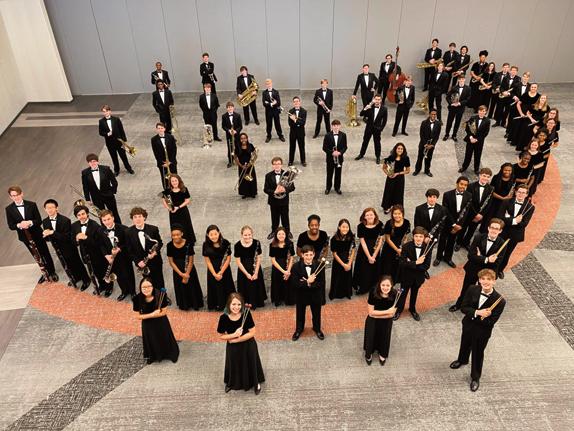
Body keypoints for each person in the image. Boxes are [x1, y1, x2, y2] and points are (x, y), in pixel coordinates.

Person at [450, 269, 506, 392]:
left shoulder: (500, 301)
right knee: (465, 344)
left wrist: (477, 317)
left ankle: (475, 377)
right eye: (483, 279)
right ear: (479, 280)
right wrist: (478, 313)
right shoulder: (472, 289)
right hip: (468, 325)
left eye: (489, 279)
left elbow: (491, 321)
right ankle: (462, 360)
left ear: (494, 281)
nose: (485, 282)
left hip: (482, 332)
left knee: (478, 353)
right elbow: (463, 308)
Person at [449, 218, 506, 312]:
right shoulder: (479, 237)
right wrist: (487, 259)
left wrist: (479, 257)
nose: (493, 230)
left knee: (483, 291)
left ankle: (476, 308)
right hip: (473, 268)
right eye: (492, 227)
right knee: (466, 288)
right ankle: (459, 304)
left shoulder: (502, 243)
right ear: (488, 228)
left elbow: (498, 262)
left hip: (487, 273)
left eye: (496, 229)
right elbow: (471, 256)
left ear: (500, 231)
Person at [6, 186, 57, 283]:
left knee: (45, 253)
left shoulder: (32, 205)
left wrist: (29, 222)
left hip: (37, 234)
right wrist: (19, 225)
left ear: (22, 194)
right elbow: (11, 226)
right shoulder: (9, 209)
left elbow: (38, 220)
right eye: (13, 196)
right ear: (10, 197)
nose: (16, 197)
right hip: (25, 237)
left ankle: (52, 271)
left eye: (17, 195)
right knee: (36, 255)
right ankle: (44, 272)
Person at [217, 293, 264, 394]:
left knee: (251, 363)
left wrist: (236, 340)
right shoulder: (223, 317)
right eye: (233, 304)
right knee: (233, 364)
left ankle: (256, 383)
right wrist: (234, 334)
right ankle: (231, 383)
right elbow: (221, 336)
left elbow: (252, 332)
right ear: (229, 304)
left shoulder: (246, 313)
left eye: (239, 304)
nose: (236, 307)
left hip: (248, 345)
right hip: (233, 347)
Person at [42, 199, 90, 289]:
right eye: (48, 208)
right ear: (45, 209)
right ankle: (76, 277)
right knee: (67, 264)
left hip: (69, 246)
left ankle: (86, 280)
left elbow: (66, 237)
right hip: (58, 248)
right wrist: (45, 236)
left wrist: (52, 232)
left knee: (76, 263)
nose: (50, 210)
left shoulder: (65, 220)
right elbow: (49, 239)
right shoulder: (45, 221)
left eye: (52, 207)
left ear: (57, 208)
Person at [133, 277, 179, 364]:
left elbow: (164, 312)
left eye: (149, 286)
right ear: (140, 288)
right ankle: (153, 356)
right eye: (144, 287)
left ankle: (170, 354)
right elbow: (138, 316)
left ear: (153, 286)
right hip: (147, 324)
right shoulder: (136, 299)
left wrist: (153, 315)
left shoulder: (161, 295)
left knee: (165, 338)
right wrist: (152, 314)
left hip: (161, 322)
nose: (146, 289)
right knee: (151, 340)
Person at [71, 204, 112, 296]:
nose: (81, 216)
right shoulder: (74, 226)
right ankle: (101, 285)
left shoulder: (95, 225)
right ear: (76, 216)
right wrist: (76, 239)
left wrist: (86, 238)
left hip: (97, 254)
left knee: (103, 270)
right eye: (79, 215)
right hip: (85, 254)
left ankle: (109, 287)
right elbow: (73, 242)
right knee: (95, 272)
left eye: (83, 214)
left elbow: (99, 243)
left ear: (87, 213)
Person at [496, 184, 535, 276]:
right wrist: (514, 220)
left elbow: (524, 224)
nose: (521, 194)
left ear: (526, 194)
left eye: (523, 193)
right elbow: (499, 217)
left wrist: (508, 217)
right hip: (503, 231)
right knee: (497, 249)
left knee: (507, 253)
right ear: (516, 192)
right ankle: (492, 267)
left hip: (515, 234)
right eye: (519, 192)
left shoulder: (530, 207)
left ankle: (500, 270)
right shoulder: (506, 201)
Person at [395, 226, 432, 321]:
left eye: (421, 236)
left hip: (418, 277)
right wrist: (416, 263)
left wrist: (410, 263)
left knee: (414, 294)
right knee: (402, 294)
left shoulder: (427, 248)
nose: (418, 238)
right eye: (416, 236)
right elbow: (402, 263)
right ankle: (399, 310)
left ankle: (412, 309)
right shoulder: (406, 246)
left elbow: (426, 265)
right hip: (406, 276)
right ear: (413, 236)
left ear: (424, 237)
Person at [434, 176, 471, 268]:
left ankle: (448, 258)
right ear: (457, 184)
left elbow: (466, 212)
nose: (463, 186)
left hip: (458, 224)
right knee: (442, 240)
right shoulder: (447, 194)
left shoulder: (469, 195)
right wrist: (453, 224)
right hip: (447, 222)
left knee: (452, 241)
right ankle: (438, 257)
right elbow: (446, 211)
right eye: (461, 184)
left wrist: (459, 225)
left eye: (465, 185)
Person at [99, 209, 135, 301]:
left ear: (113, 218)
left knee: (128, 274)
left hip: (124, 257)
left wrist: (119, 248)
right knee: (118, 275)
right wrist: (106, 255)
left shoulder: (124, 229)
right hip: (112, 258)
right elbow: (101, 244)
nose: (107, 222)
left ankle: (133, 292)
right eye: (104, 220)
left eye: (108, 219)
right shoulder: (101, 230)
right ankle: (124, 291)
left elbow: (129, 244)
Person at [291, 245, 326, 341]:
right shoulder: (295, 267)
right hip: (301, 295)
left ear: (314, 254)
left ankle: (317, 329)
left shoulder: (320, 265)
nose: (309, 257)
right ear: (302, 255)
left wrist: (309, 283)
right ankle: (299, 329)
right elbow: (294, 283)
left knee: (317, 313)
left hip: (315, 294)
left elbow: (322, 283)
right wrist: (307, 282)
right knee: (300, 313)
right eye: (306, 255)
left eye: (311, 254)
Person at [126, 207, 164, 290]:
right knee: (148, 282)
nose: (138, 219)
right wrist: (137, 261)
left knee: (159, 281)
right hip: (142, 263)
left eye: (140, 216)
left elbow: (160, 243)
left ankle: (163, 296)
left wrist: (155, 252)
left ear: (144, 217)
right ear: (132, 219)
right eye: (135, 217)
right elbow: (129, 250)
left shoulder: (153, 229)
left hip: (155, 261)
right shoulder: (128, 232)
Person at [166, 225, 203, 311]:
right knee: (181, 287)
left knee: (192, 286)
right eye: (173, 235)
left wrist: (186, 274)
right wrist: (181, 274)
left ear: (182, 234)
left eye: (178, 234)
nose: (176, 237)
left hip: (189, 269)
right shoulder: (169, 245)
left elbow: (191, 261)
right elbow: (171, 262)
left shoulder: (188, 244)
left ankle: (195, 303)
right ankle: (184, 305)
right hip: (177, 270)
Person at [363, 275, 397, 366]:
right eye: (383, 285)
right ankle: (369, 354)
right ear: (379, 285)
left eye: (388, 285)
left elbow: (391, 315)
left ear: (391, 286)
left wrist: (376, 315)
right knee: (371, 337)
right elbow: (370, 312)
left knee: (384, 337)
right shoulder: (373, 292)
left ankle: (382, 353)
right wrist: (387, 312)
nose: (385, 288)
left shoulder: (395, 294)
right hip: (373, 321)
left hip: (385, 322)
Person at [296, 214, 329, 304]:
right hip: (306, 260)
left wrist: (322, 258)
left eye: (316, 225)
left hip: (318, 261)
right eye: (312, 225)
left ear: (319, 225)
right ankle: (306, 300)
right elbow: (298, 252)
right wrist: (308, 259)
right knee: (306, 281)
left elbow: (326, 248)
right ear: (308, 225)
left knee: (319, 281)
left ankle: (320, 299)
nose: (314, 227)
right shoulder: (302, 236)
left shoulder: (324, 234)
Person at [202, 225, 236, 311]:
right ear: (207, 235)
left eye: (215, 234)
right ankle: (217, 304)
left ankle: (229, 304)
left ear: (219, 233)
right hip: (212, 270)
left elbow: (228, 259)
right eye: (211, 234)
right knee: (215, 287)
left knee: (226, 286)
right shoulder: (205, 245)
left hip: (224, 269)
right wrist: (214, 274)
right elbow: (208, 261)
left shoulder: (225, 243)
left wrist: (221, 272)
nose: (214, 236)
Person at [458, 168, 494, 249]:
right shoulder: (470, 186)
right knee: (463, 228)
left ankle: (466, 242)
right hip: (469, 213)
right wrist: (475, 214)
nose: (485, 178)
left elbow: (489, 203)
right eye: (484, 176)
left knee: (472, 230)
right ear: (479, 175)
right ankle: (458, 242)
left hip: (479, 215)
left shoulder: (491, 188)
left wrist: (481, 214)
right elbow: (468, 202)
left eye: (488, 177)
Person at [81, 153, 122, 223]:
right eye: (90, 162)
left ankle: (119, 227)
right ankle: (104, 228)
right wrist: (88, 199)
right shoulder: (85, 173)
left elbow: (114, 182)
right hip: (96, 198)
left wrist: (112, 192)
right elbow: (85, 187)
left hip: (108, 196)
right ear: (88, 163)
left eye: (94, 161)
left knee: (114, 213)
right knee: (101, 215)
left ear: (97, 161)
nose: (93, 163)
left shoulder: (106, 169)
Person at [234, 226, 267, 309]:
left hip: (255, 268)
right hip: (243, 270)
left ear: (252, 234)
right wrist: (246, 274)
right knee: (244, 286)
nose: (247, 237)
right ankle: (246, 302)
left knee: (255, 285)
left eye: (249, 234)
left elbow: (259, 258)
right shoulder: (237, 245)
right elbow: (238, 262)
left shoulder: (257, 243)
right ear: (241, 235)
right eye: (245, 235)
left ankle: (256, 302)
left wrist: (256, 273)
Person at [353, 208, 383, 295]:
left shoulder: (380, 224)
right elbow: (362, 242)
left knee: (374, 269)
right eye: (367, 215)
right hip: (364, 251)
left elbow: (380, 240)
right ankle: (363, 287)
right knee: (364, 269)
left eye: (371, 214)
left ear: (375, 216)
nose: (369, 216)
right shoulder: (361, 226)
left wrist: (374, 255)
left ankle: (373, 286)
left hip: (375, 250)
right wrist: (369, 256)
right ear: (364, 217)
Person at [98, 105, 134, 175]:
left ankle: (128, 168)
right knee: (114, 157)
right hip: (110, 143)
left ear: (110, 111)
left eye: (106, 111)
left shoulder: (116, 119)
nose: (105, 113)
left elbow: (121, 130)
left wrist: (124, 140)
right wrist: (107, 134)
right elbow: (100, 132)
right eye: (104, 112)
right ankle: (116, 170)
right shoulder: (101, 121)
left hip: (119, 142)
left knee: (123, 156)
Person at [263, 157, 294, 240]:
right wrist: (274, 191)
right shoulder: (268, 176)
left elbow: (292, 187)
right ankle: (274, 231)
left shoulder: (287, 174)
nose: (277, 166)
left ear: (281, 165)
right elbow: (265, 189)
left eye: (278, 164)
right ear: (272, 166)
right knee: (274, 217)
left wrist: (285, 190)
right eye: (275, 164)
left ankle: (287, 231)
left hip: (284, 201)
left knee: (285, 217)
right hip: (273, 201)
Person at [161, 174, 196, 245]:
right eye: (172, 181)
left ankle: (188, 241)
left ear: (179, 181)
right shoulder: (168, 190)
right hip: (173, 212)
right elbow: (163, 199)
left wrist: (179, 207)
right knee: (175, 226)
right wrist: (168, 208)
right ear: (170, 182)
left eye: (175, 180)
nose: (174, 182)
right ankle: (177, 240)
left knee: (186, 225)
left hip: (183, 211)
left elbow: (187, 200)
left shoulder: (184, 189)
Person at [480, 163, 514, 233]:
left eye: (509, 170)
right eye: (505, 170)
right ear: (502, 170)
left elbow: (512, 191)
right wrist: (502, 198)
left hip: (504, 203)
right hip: (494, 200)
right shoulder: (496, 177)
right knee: (489, 216)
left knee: (498, 217)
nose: (507, 172)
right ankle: (484, 231)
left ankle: (494, 231)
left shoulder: (513, 178)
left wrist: (509, 197)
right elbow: (491, 191)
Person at [380, 205, 411, 282]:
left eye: (399, 213)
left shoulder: (407, 222)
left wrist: (403, 247)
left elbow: (406, 237)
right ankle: (387, 281)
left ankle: (395, 280)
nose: (397, 216)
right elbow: (387, 239)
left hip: (401, 247)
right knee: (388, 266)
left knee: (397, 265)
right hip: (389, 248)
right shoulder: (389, 223)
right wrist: (397, 250)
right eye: (395, 214)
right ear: (392, 214)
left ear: (402, 213)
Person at [355, 94, 387, 164]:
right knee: (365, 141)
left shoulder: (384, 109)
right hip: (368, 128)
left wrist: (381, 129)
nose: (377, 101)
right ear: (374, 100)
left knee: (377, 143)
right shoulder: (370, 107)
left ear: (381, 100)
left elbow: (384, 121)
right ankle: (361, 154)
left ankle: (378, 157)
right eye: (376, 99)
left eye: (379, 99)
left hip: (377, 129)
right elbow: (361, 114)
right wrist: (366, 108)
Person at [459, 105, 491, 174]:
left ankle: (476, 169)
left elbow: (485, 133)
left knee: (477, 155)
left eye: (483, 111)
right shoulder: (473, 118)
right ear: (478, 111)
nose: (482, 112)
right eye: (480, 111)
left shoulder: (487, 121)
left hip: (479, 141)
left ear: (486, 112)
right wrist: (471, 137)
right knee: (468, 155)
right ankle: (464, 167)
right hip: (470, 140)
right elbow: (467, 128)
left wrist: (477, 140)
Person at [329, 219, 355, 300]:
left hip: (348, 260)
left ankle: (347, 293)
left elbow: (353, 250)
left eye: (347, 227)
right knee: (337, 278)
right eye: (343, 227)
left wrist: (349, 263)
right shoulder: (334, 239)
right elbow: (334, 254)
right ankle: (336, 294)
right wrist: (343, 265)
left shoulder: (351, 237)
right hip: (338, 261)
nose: (345, 229)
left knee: (347, 277)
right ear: (339, 227)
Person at [381, 143, 410, 214]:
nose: (400, 150)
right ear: (395, 149)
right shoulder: (391, 157)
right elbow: (384, 168)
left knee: (398, 193)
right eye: (398, 148)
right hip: (391, 177)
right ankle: (387, 207)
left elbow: (408, 171)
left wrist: (398, 173)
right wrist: (388, 174)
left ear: (403, 150)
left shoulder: (406, 158)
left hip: (400, 178)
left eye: (401, 149)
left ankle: (397, 208)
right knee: (388, 192)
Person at [269, 227, 295, 306]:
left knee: (287, 282)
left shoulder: (290, 244)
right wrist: (284, 271)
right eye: (279, 234)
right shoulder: (272, 245)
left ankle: (287, 299)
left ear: (286, 235)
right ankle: (278, 299)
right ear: (276, 235)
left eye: (283, 234)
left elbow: (292, 258)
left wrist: (288, 271)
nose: (281, 236)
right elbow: (273, 260)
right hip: (277, 267)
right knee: (277, 283)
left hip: (287, 266)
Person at [413, 110, 441, 177]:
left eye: (435, 114)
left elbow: (437, 136)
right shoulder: (424, 122)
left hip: (431, 145)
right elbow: (421, 134)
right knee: (420, 158)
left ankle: (427, 171)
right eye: (432, 114)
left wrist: (432, 145)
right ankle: (417, 170)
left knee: (429, 158)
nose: (433, 116)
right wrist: (425, 144)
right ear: (429, 114)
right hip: (423, 144)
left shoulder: (438, 124)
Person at [443, 75, 471, 142]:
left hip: (460, 108)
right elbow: (447, 97)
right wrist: (451, 103)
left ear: (464, 80)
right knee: (449, 122)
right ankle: (446, 134)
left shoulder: (468, 88)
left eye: (462, 79)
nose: (461, 80)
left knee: (457, 123)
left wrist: (460, 103)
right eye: (460, 79)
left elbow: (468, 99)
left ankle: (454, 135)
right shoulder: (454, 87)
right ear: (458, 80)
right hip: (452, 108)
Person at [322, 119, 347, 195]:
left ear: (340, 126)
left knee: (338, 174)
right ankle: (328, 188)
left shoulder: (343, 135)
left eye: (337, 126)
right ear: (331, 126)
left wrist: (340, 152)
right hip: (330, 158)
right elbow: (324, 148)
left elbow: (345, 147)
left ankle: (337, 188)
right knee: (329, 174)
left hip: (339, 158)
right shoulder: (327, 135)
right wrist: (332, 152)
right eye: (334, 126)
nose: (336, 127)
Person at [151, 122, 178, 190]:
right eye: (158, 128)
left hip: (171, 162)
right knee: (164, 179)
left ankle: (176, 191)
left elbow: (174, 149)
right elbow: (156, 153)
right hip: (162, 164)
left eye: (161, 128)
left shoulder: (170, 137)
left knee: (174, 177)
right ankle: (167, 191)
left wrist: (170, 161)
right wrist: (162, 163)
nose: (160, 130)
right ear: (156, 129)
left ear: (164, 129)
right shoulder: (153, 139)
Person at [234, 133, 258, 199]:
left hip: (250, 165)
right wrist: (240, 165)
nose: (243, 140)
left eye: (245, 138)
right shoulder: (237, 147)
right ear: (240, 139)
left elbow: (255, 155)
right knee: (243, 180)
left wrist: (250, 164)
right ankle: (245, 193)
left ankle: (252, 193)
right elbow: (235, 157)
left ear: (247, 139)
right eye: (242, 138)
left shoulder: (250, 145)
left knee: (251, 179)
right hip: (242, 166)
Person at [222, 101, 243, 168]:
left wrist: (236, 131)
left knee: (238, 147)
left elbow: (240, 126)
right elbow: (223, 126)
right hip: (229, 135)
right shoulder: (224, 116)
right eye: (228, 107)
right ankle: (230, 161)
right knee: (230, 148)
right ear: (227, 108)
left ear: (233, 108)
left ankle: (239, 160)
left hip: (236, 135)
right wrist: (229, 131)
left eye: (231, 107)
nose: (230, 108)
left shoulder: (238, 115)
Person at [287, 96, 307, 166]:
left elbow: (303, 123)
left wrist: (295, 120)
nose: (296, 103)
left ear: (299, 102)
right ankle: (290, 161)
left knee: (302, 147)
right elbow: (290, 124)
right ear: (293, 103)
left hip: (301, 133)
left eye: (297, 101)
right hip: (293, 132)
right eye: (294, 102)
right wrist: (298, 122)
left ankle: (303, 161)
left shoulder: (304, 111)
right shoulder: (290, 111)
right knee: (292, 147)